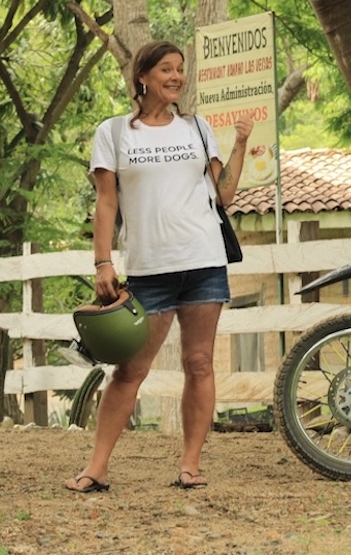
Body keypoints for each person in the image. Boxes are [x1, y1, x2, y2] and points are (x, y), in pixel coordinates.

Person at [65, 40, 254, 493]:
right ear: (143, 77)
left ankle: (190, 466)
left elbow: (223, 196)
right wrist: (103, 261)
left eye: (180, 70)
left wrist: (241, 144)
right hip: (150, 268)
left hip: (204, 260)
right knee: (129, 370)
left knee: (200, 364)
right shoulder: (113, 133)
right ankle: (97, 468)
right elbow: (106, 202)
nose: (176, 77)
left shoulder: (197, 128)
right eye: (166, 69)